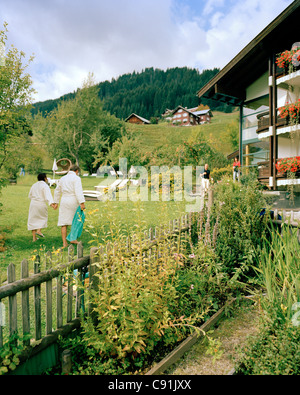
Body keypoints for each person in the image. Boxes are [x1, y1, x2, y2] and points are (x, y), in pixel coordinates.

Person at [53, 164, 86, 247]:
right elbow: (78, 191)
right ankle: (73, 239)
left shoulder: (62, 178)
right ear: (77, 171)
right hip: (73, 200)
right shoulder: (76, 178)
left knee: (64, 222)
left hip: (64, 201)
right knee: (76, 220)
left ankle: (65, 243)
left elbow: (57, 191)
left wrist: (56, 202)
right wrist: (82, 202)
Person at [27, 173, 57, 242]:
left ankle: (34, 238)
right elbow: (48, 196)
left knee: (32, 219)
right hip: (41, 204)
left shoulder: (34, 185)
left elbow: (30, 195)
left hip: (33, 204)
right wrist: (52, 204)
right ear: (45, 178)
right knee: (42, 218)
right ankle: (39, 230)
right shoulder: (45, 186)